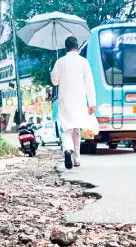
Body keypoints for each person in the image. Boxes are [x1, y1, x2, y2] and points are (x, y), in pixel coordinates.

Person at [51, 36, 96, 169]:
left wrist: (53, 72)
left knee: (66, 129)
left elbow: (55, 81)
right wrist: (92, 103)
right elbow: (89, 84)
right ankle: (76, 159)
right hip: (80, 101)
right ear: (76, 47)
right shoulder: (84, 62)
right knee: (76, 129)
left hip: (65, 100)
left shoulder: (60, 62)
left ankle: (67, 149)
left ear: (66, 47)